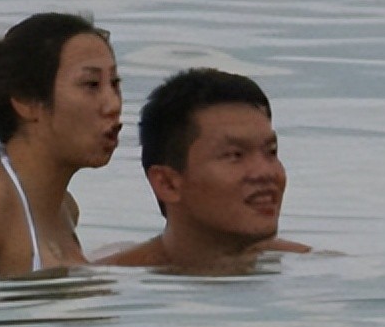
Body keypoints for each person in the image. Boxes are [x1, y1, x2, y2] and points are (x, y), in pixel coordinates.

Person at [0, 12, 123, 276]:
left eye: (115, 83)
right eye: (91, 84)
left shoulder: (64, 208)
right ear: (27, 102)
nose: (113, 104)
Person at [97, 68, 309, 273]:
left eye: (271, 152)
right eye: (235, 155)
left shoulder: (311, 266)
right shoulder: (108, 280)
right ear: (167, 183)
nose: (266, 173)